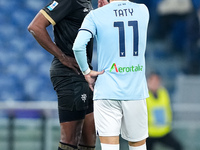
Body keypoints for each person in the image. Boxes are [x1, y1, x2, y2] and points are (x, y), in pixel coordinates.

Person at [73, 0, 149, 150]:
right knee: (138, 146)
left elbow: (78, 47)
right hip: (135, 92)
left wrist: (86, 72)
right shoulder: (143, 10)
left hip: (107, 92)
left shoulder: (95, 15)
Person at [27, 0, 96, 150]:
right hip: (69, 74)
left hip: (84, 73)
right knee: (70, 140)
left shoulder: (87, 3)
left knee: (89, 140)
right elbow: (35, 26)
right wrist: (62, 56)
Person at [146, 72, 182, 150]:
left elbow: (167, 109)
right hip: (149, 132)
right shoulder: (144, 95)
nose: (155, 83)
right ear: (148, 82)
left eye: (157, 81)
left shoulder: (163, 92)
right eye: (153, 81)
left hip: (164, 130)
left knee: (178, 146)